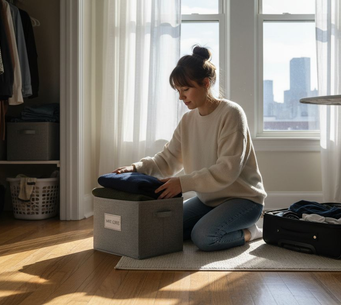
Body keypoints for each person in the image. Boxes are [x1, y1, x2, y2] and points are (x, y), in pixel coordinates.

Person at [113, 46, 267, 252]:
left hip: (243, 200)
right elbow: (167, 160)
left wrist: (183, 183)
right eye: (178, 91)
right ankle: (215, 223)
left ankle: (253, 232)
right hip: (208, 200)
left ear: (206, 84)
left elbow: (228, 169)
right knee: (164, 229)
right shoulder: (188, 120)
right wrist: (135, 167)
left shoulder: (231, 113)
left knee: (204, 237)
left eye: (185, 90)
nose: (181, 97)